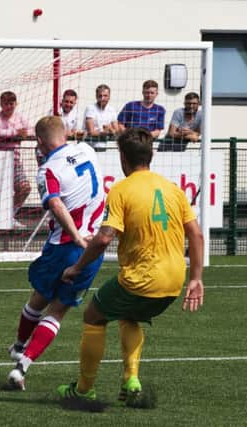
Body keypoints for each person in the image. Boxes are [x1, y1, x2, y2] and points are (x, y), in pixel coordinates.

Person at [57, 127, 204, 403]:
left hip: (142, 280)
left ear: (123, 157)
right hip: (174, 283)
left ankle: (85, 389)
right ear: (152, 155)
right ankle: (131, 380)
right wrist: (196, 278)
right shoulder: (172, 188)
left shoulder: (121, 190)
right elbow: (196, 234)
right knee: (129, 315)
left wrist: (76, 268)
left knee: (93, 316)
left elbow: (103, 238)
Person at [6, 115, 105, 391]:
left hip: (64, 246)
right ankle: (21, 366)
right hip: (92, 247)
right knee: (58, 310)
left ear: (39, 142)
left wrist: (73, 234)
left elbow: (55, 205)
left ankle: (18, 346)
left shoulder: (47, 170)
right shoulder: (86, 150)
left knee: (39, 299)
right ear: (66, 133)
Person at [0, 91, 32, 227]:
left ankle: (8, 216)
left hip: (14, 162)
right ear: (1, 104)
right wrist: (15, 133)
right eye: (6, 103)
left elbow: (30, 130)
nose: (9, 107)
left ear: (15, 104)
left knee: (24, 188)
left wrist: (23, 133)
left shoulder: (19, 117)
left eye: (12, 103)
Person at [83, 84, 119, 151]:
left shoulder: (112, 110)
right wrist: (106, 132)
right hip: (89, 147)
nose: (102, 98)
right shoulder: (90, 108)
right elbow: (91, 132)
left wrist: (110, 129)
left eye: (105, 96)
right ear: (96, 96)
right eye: (100, 96)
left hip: (105, 147)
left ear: (109, 97)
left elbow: (116, 131)